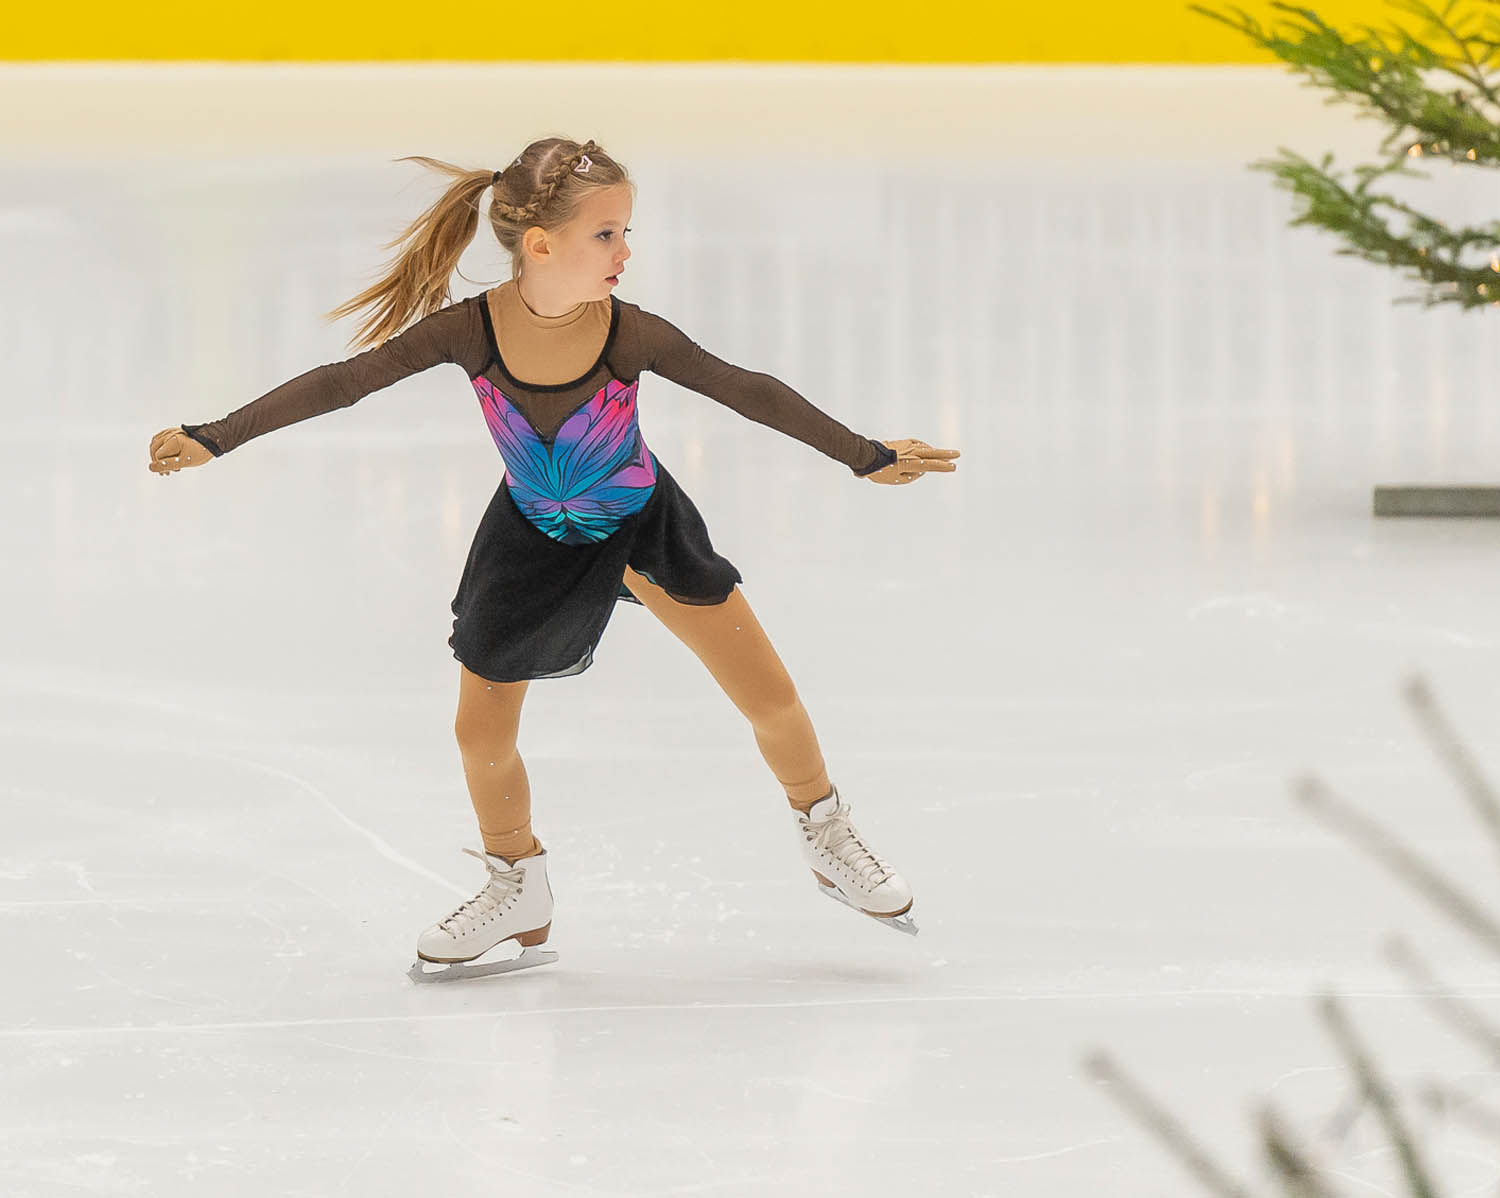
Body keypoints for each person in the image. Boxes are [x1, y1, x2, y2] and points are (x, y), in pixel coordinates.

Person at [146, 136, 959, 982]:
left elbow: (745, 388)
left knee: (769, 695)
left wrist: (864, 455)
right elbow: (342, 382)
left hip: (642, 523)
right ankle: (518, 885)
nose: (625, 251)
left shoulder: (629, 334)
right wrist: (216, 436)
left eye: (626, 232)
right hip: (532, 535)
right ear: (540, 244)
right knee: (478, 733)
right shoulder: (469, 332)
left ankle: (827, 836)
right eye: (606, 234)